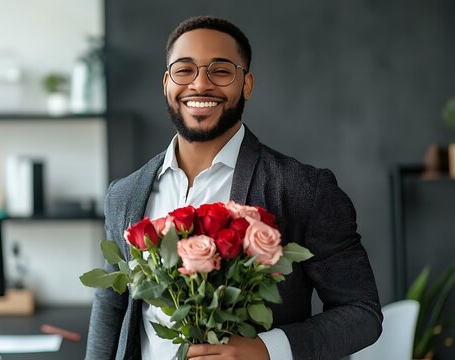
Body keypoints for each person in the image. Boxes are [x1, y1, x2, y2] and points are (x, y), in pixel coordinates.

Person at [86, 15, 382, 360]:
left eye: (221, 71)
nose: (200, 85)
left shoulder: (304, 189)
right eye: (184, 70)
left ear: (247, 84)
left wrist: (267, 349)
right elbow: (110, 310)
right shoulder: (124, 195)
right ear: (166, 83)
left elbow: (362, 312)